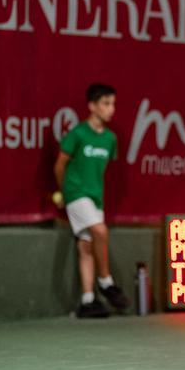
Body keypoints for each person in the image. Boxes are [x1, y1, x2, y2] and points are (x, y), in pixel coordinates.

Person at [53, 83, 131, 318]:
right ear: (92, 106)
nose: (111, 109)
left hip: (96, 197)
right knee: (101, 231)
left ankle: (87, 301)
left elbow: (99, 171)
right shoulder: (77, 134)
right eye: (106, 104)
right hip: (75, 194)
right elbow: (59, 166)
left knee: (86, 247)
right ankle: (106, 282)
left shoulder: (110, 139)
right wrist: (65, 193)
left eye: (113, 104)